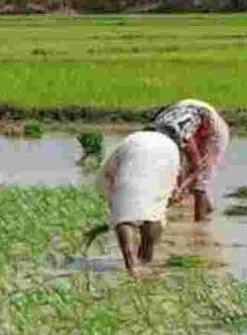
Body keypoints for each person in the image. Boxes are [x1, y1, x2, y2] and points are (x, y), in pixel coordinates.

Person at [97, 130, 181, 275]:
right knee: (154, 214)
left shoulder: (129, 140)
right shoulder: (170, 144)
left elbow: (107, 173)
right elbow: (176, 174)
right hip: (164, 167)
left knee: (124, 219)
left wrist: (116, 204)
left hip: (131, 166)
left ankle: (132, 266)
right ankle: (146, 259)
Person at [147, 99, 229, 222]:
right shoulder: (158, 130)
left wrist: (180, 188)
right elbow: (174, 166)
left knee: (200, 181)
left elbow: (198, 167)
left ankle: (199, 226)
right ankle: (207, 209)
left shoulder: (182, 136)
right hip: (190, 113)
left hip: (213, 128)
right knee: (185, 173)